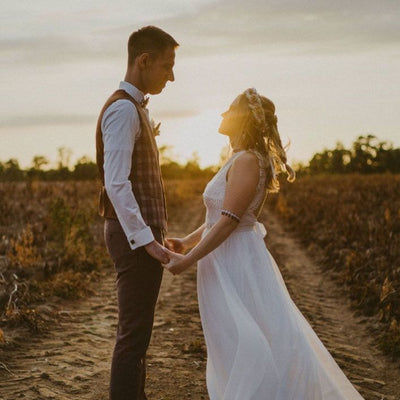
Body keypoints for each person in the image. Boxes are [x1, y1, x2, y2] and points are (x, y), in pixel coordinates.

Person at [163, 88, 365, 399]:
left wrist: (188, 261)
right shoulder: (239, 158)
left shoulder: (246, 161)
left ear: (244, 119)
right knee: (233, 339)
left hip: (236, 262)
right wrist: (186, 242)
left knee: (248, 341)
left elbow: (230, 222)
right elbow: (219, 216)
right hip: (226, 259)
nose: (221, 114)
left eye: (229, 109)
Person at [95, 26, 178, 400]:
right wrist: (147, 241)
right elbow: (116, 184)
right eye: (167, 65)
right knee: (132, 338)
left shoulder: (136, 108)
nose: (171, 76)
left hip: (137, 236)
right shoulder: (123, 111)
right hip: (131, 239)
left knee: (139, 334)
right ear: (143, 61)